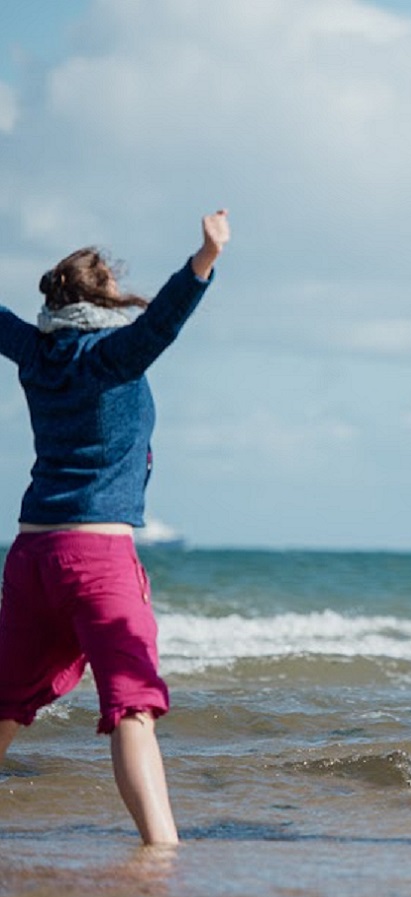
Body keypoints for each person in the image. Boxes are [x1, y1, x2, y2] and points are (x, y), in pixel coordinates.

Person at [0, 210, 230, 845]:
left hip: (29, 556)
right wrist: (206, 255)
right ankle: (160, 851)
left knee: (5, 700)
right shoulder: (114, 355)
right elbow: (165, 321)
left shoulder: (35, 351)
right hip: (95, 558)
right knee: (131, 706)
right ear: (104, 296)